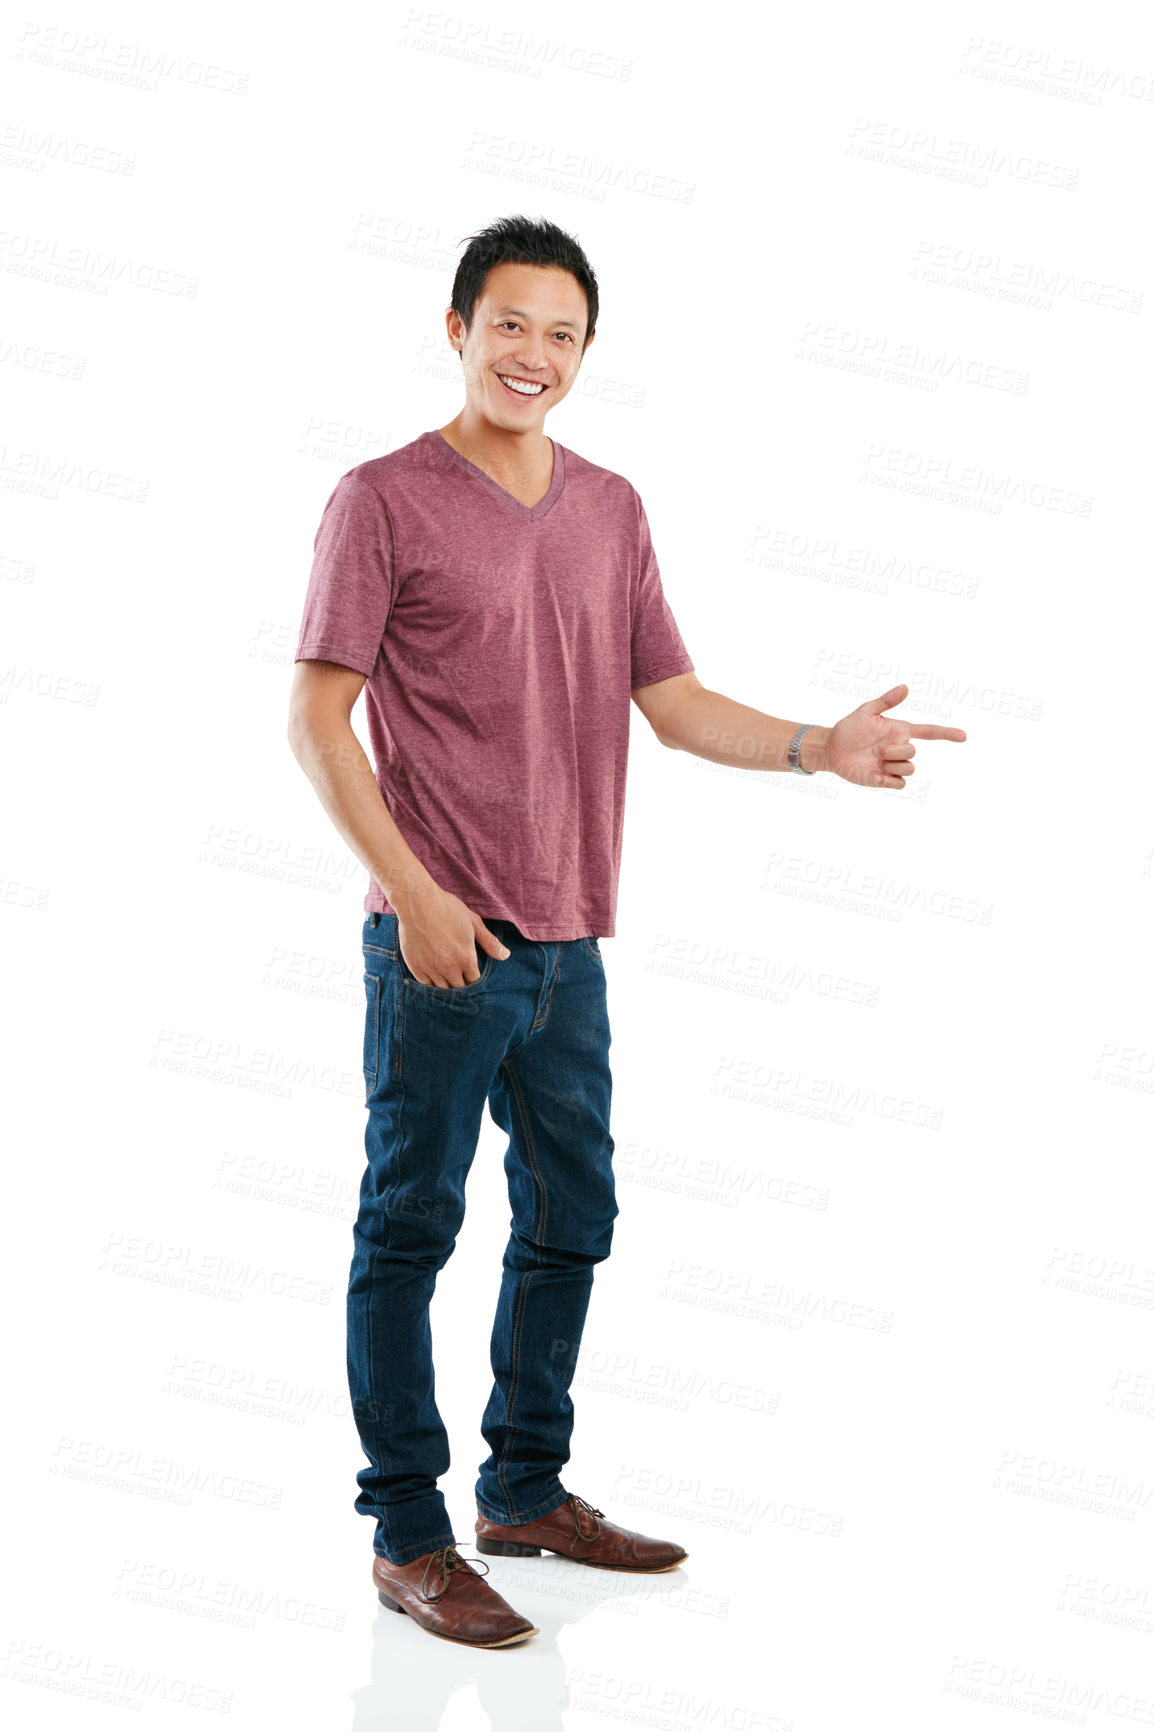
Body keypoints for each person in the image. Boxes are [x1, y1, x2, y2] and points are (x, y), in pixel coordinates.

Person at [287, 213, 967, 1648]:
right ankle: (407, 1535)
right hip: (440, 943)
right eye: (510, 324)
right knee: (407, 1228)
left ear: (583, 352)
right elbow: (314, 717)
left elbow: (669, 701)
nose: (533, 354)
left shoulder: (609, 507)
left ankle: (523, 1488)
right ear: (458, 328)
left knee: (572, 1221)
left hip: (568, 944)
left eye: (562, 333)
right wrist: (410, 892)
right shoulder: (381, 499)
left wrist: (816, 747)